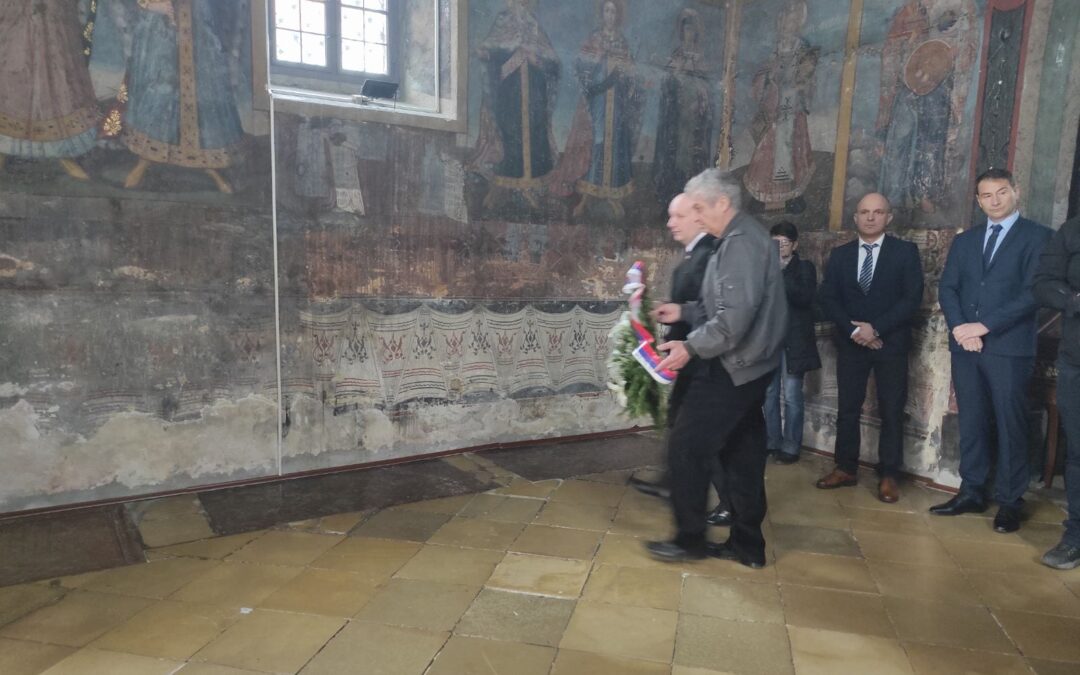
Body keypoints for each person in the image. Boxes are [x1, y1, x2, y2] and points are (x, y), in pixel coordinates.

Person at [644, 169, 788, 568]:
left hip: (731, 367)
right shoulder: (740, 238)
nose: (694, 216)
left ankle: (689, 540)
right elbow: (721, 306)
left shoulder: (741, 244)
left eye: (697, 208)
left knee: (686, 448)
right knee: (742, 457)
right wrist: (684, 311)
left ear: (722, 203)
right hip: (750, 367)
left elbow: (733, 321)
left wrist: (690, 347)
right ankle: (747, 546)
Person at [931, 168, 1051, 533]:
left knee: (1010, 423)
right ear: (978, 201)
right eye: (986, 195)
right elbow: (948, 287)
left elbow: (1033, 293)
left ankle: (1011, 501)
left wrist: (983, 327)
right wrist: (960, 328)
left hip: (1008, 348)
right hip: (965, 346)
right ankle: (972, 491)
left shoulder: (1039, 237)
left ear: (1016, 192)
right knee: (972, 419)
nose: (994, 200)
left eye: (1001, 192)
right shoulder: (966, 241)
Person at [629, 193, 732, 527]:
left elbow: (713, 312)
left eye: (678, 216)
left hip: (700, 357)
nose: (670, 223)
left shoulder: (709, 254)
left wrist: (683, 336)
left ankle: (729, 502)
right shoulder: (693, 254)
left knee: (699, 433)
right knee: (678, 422)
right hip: (685, 354)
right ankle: (672, 481)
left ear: (699, 217)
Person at [816, 193, 923, 503]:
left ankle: (889, 474)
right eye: (864, 212)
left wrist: (875, 329)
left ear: (889, 217)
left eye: (878, 212)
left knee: (891, 409)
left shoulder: (905, 252)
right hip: (851, 344)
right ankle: (845, 467)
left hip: (890, 343)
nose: (871, 217)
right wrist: (854, 331)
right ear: (856, 218)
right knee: (848, 407)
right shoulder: (841, 255)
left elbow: (911, 299)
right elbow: (829, 298)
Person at [0, 0, 98, 180]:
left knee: (55, 80)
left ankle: (63, 156)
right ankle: (2, 152)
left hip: (54, 15)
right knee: (12, 79)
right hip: (13, 15)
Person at [1032, 213, 1080, 568]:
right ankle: (1076, 536)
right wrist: (1074, 300)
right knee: (1079, 453)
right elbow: (1044, 282)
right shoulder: (1074, 229)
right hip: (1077, 359)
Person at [766, 221, 821, 464]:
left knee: (791, 395)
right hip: (769, 341)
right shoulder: (764, 268)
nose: (779, 247)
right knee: (768, 394)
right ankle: (771, 441)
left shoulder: (805, 268)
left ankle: (790, 446)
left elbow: (804, 297)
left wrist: (780, 272)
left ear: (795, 244)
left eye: (784, 242)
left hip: (794, 341)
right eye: (774, 242)